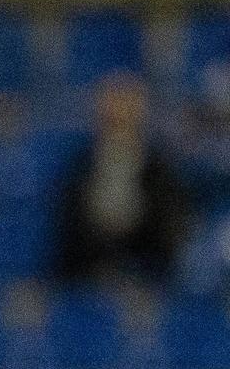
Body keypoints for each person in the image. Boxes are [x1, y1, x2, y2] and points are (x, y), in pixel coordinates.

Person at [54, 72, 190, 285]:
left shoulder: (160, 169)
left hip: (148, 278)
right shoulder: (79, 166)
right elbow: (66, 233)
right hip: (88, 279)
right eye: (113, 102)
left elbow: (170, 232)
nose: (119, 113)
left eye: (127, 103)